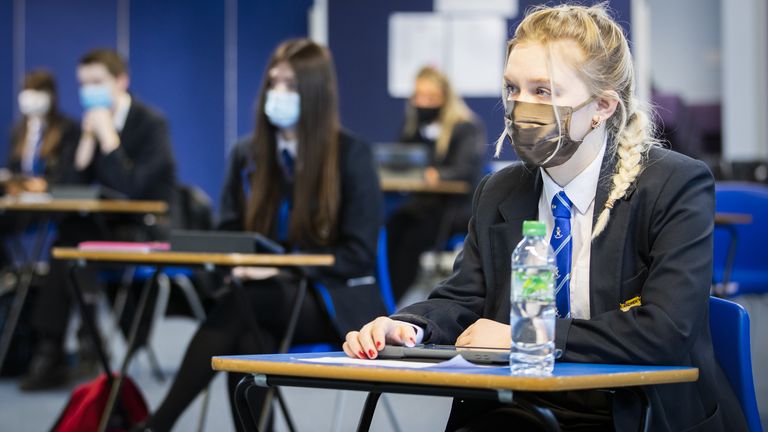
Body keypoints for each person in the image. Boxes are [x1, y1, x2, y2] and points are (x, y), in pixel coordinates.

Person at [344, 4, 745, 431]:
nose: (521, 107)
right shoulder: (499, 191)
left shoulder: (672, 184)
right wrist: (407, 326)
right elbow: (463, 299)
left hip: (632, 411)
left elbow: (665, 331)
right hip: (522, 409)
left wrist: (525, 335)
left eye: (543, 91)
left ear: (602, 107)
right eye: (512, 88)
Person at [139, 39, 386, 431]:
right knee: (248, 337)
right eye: (274, 83)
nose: (278, 94)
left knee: (246, 304)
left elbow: (357, 254)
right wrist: (239, 266)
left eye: (290, 85)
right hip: (259, 300)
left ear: (314, 93)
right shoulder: (247, 155)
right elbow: (229, 232)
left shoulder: (351, 155)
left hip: (334, 302)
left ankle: (157, 424)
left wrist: (278, 271)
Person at [21, 49, 177, 390]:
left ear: (121, 81)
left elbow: (136, 189)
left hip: (145, 228)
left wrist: (109, 140)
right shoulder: (84, 127)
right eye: (83, 83)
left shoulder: (150, 123)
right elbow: (65, 194)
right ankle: (55, 347)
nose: (88, 90)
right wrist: (85, 148)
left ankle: (76, 344)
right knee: (70, 235)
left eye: (97, 82)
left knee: (75, 242)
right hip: (102, 228)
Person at [386, 66, 485, 301]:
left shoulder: (465, 128)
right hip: (423, 204)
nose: (422, 103)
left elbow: (464, 171)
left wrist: (438, 175)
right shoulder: (413, 128)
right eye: (418, 97)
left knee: (413, 236)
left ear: (444, 99)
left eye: (430, 98)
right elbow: (402, 160)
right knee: (395, 225)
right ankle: (388, 294)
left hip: (455, 207)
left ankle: (397, 297)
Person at [5, 70, 79, 193]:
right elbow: (11, 168)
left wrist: (46, 185)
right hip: (20, 202)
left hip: (52, 202)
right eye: (28, 91)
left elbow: (70, 175)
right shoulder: (18, 131)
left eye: (38, 91)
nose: (32, 97)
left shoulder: (67, 128)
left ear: (51, 96)